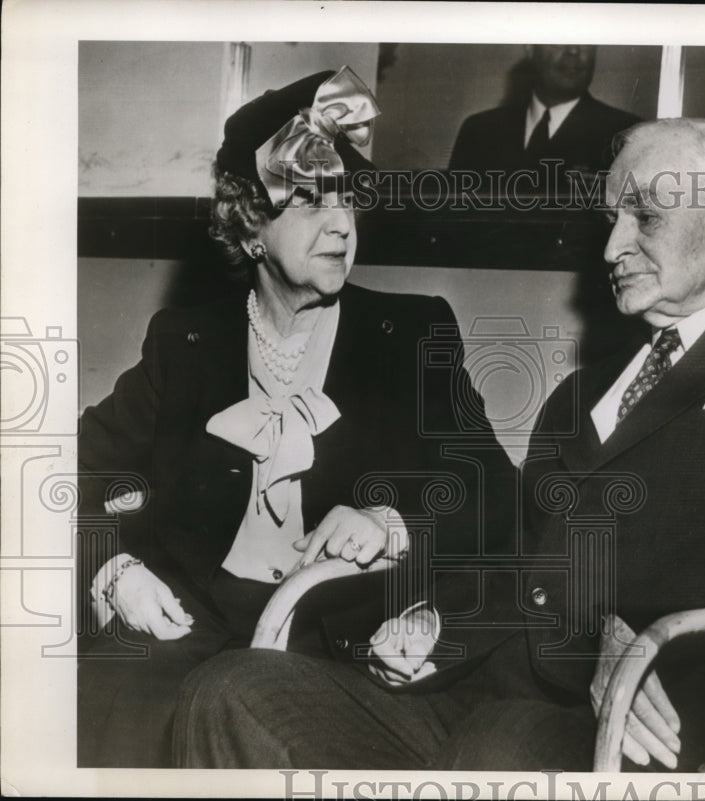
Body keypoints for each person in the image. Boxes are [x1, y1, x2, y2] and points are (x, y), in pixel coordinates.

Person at [175, 118, 705, 772]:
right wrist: (437, 622)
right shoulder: (583, 392)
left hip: (646, 711)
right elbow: (517, 547)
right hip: (480, 686)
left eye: (644, 216)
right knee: (232, 689)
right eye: (610, 219)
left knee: (501, 745)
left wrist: (626, 617)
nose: (610, 248)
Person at [76, 67, 515, 768]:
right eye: (311, 201)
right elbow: (67, 472)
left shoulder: (410, 334)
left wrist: (392, 524)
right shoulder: (184, 341)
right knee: (95, 692)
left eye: (348, 199)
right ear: (250, 225)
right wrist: (114, 569)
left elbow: (495, 493)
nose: (342, 224)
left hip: (338, 646)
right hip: (190, 624)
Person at [448, 45, 642, 178]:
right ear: (530, 47)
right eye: (559, 37)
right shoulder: (479, 131)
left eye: (585, 39)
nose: (574, 50)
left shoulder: (628, 134)